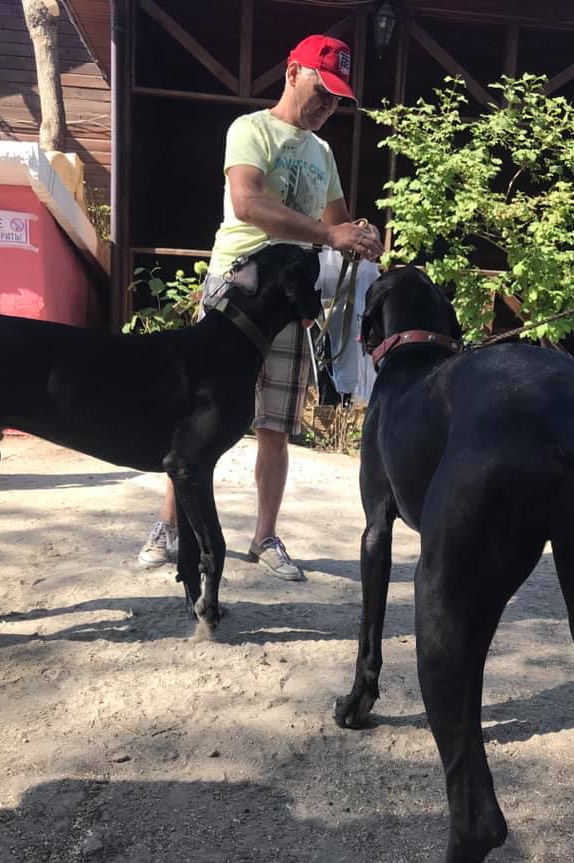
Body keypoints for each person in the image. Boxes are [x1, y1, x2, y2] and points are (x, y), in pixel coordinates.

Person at [138, 34, 383, 579]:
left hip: (290, 298)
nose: (328, 106)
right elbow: (247, 203)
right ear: (293, 73)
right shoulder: (250, 129)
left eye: (338, 99)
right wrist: (331, 233)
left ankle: (264, 537)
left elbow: (337, 222)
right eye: (322, 91)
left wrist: (361, 234)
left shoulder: (323, 153)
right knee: (195, 412)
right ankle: (168, 526)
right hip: (238, 286)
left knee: (277, 423)